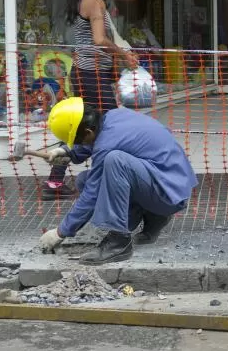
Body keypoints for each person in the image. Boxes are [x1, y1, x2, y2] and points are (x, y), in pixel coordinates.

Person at [38, 97, 199, 265]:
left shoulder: (105, 147)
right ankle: (154, 216)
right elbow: (94, 142)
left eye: (78, 140)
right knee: (84, 180)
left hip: (168, 195)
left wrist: (60, 232)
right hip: (168, 183)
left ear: (88, 132)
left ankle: (118, 243)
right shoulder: (114, 116)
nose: (79, 144)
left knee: (115, 162)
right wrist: (65, 152)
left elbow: (92, 196)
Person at [40, 0, 138, 200]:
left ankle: (55, 182)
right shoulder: (94, 2)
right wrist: (123, 55)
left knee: (89, 125)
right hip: (91, 74)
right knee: (104, 126)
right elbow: (98, 40)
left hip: (85, 72)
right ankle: (105, 178)